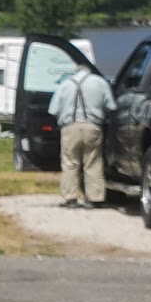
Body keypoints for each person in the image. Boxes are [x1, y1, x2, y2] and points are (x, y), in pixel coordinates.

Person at [47, 62, 116, 208]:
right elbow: (111, 106)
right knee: (93, 162)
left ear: (75, 71)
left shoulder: (65, 84)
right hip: (93, 126)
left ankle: (71, 198)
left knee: (70, 162)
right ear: (89, 71)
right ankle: (95, 199)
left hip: (69, 127)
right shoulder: (100, 82)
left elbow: (52, 110)